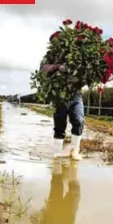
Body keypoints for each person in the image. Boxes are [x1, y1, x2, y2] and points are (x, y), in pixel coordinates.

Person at [40, 33, 85, 161]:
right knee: (60, 123)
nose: (58, 43)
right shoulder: (49, 57)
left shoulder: (76, 55)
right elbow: (42, 69)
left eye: (60, 40)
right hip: (58, 95)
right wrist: (57, 67)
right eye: (55, 41)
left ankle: (74, 150)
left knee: (78, 120)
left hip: (75, 94)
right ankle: (57, 152)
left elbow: (85, 73)